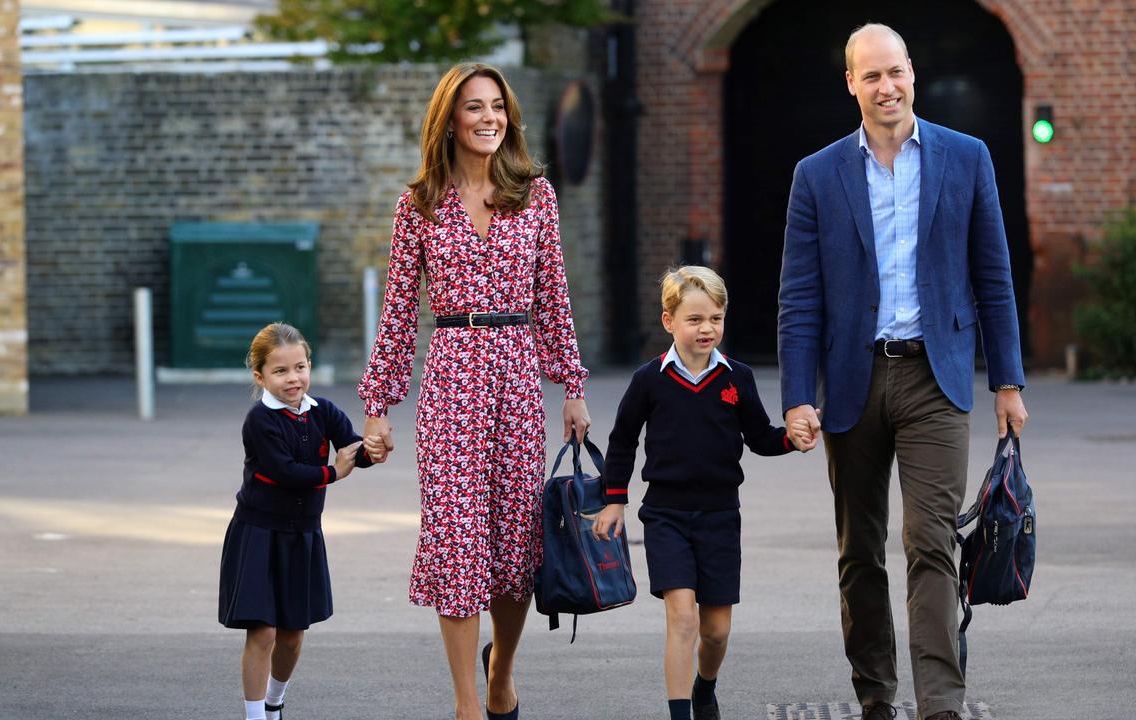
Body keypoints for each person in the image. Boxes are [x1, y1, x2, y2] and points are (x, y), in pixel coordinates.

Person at [776, 23, 1030, 720]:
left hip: (935, 379)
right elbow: (799, 298)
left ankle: (940, 702)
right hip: (852, 379)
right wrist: (799, 397)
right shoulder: (817, 174)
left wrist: (1006, 382)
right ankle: (876, 695)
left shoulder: (965, 157)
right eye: (872, 76)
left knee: (931, 542)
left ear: (912, 73)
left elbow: (993, 276)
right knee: (859, 549)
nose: (887, 87)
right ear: (851, 84)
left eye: (896, 72)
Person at [357, 62, 591, 720]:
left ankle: (501, 674)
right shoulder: (420, 204)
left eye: (497, 106)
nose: (489, 117)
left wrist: (570, 384)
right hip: (452, 376)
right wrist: (378, 406)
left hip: (517, 377)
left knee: (516, 544)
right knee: (457, 541)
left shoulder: (535, 195)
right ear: (449, 121)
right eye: (474, 108)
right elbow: (400, 313)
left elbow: (555, 301)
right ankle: (467, 705)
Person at [593, 266, 802, 720]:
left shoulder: (737, 378)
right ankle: (681, 712)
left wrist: (791, 439)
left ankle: (705, 687)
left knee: (716, 631)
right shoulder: (649, 379)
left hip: (721, 516)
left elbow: (761, 437)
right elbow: (622, 439)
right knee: (683, 618)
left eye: (715, 318)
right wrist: (614, 500)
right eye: (694, 319)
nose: (707, 328)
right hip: (665, 515)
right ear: (669, 321)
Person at [218, 322, 380, 720]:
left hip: (303, 535)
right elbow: (285, 472)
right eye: (280, 371)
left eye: (300, 367)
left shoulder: (322, 411)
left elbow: (352, 446)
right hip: (258, 532)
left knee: (291, 636)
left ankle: (275, 703)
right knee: (263, 631)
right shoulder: (260, 421)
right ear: (260, 376)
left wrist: (373, 449)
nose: (293, 378)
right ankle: (256, 717)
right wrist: (334, 473)